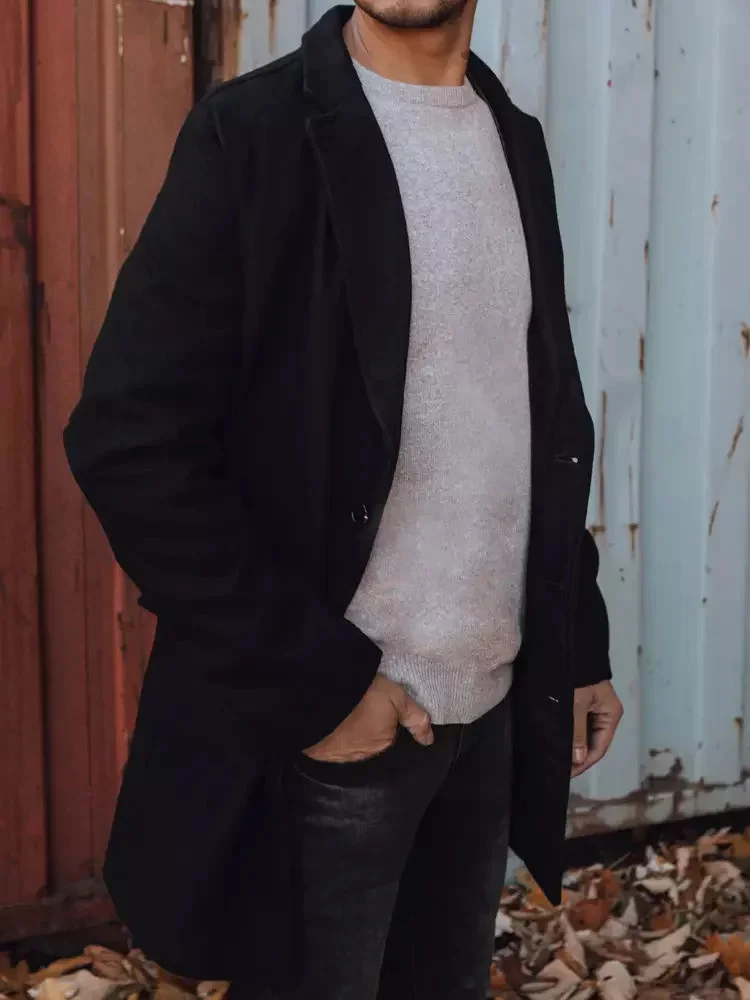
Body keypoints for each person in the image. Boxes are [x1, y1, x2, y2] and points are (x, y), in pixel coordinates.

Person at [64, 2, 623, 998]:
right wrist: (316, 682)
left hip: (485, 711)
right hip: (334, 730)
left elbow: (532, 412)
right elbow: (128, 439)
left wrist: (575, 637)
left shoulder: (511, 138)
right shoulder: (253, 134)